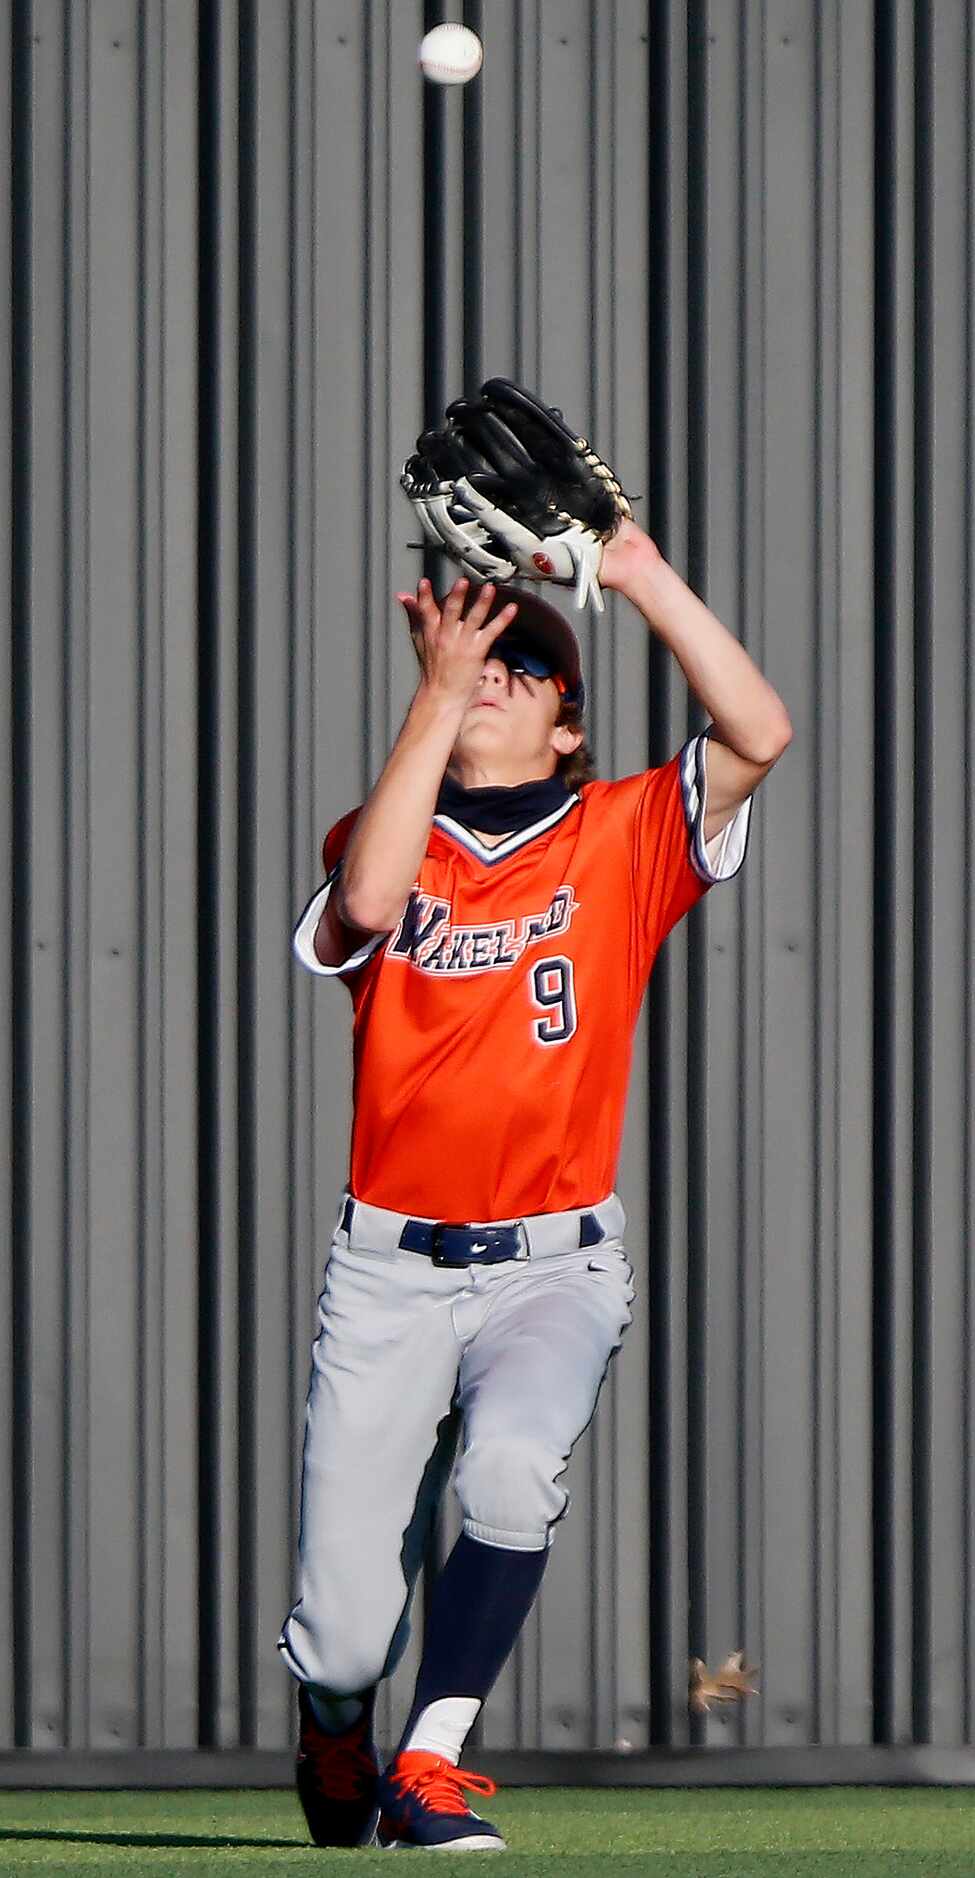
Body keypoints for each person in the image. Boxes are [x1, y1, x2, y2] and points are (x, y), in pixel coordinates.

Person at [278, 518, 792, 1851]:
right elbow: (369, 906)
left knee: (510, 1468)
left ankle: (428, 1756)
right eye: (478, 658)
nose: (493, 672)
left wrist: (635, 576)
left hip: (552, 1262)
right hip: (389, 1271)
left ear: (573, 725)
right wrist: (435, 696)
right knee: (340, 1625)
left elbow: (758, 732)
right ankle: (338, 1719)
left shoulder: (622, 833)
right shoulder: (392, 822)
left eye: (525, 664)